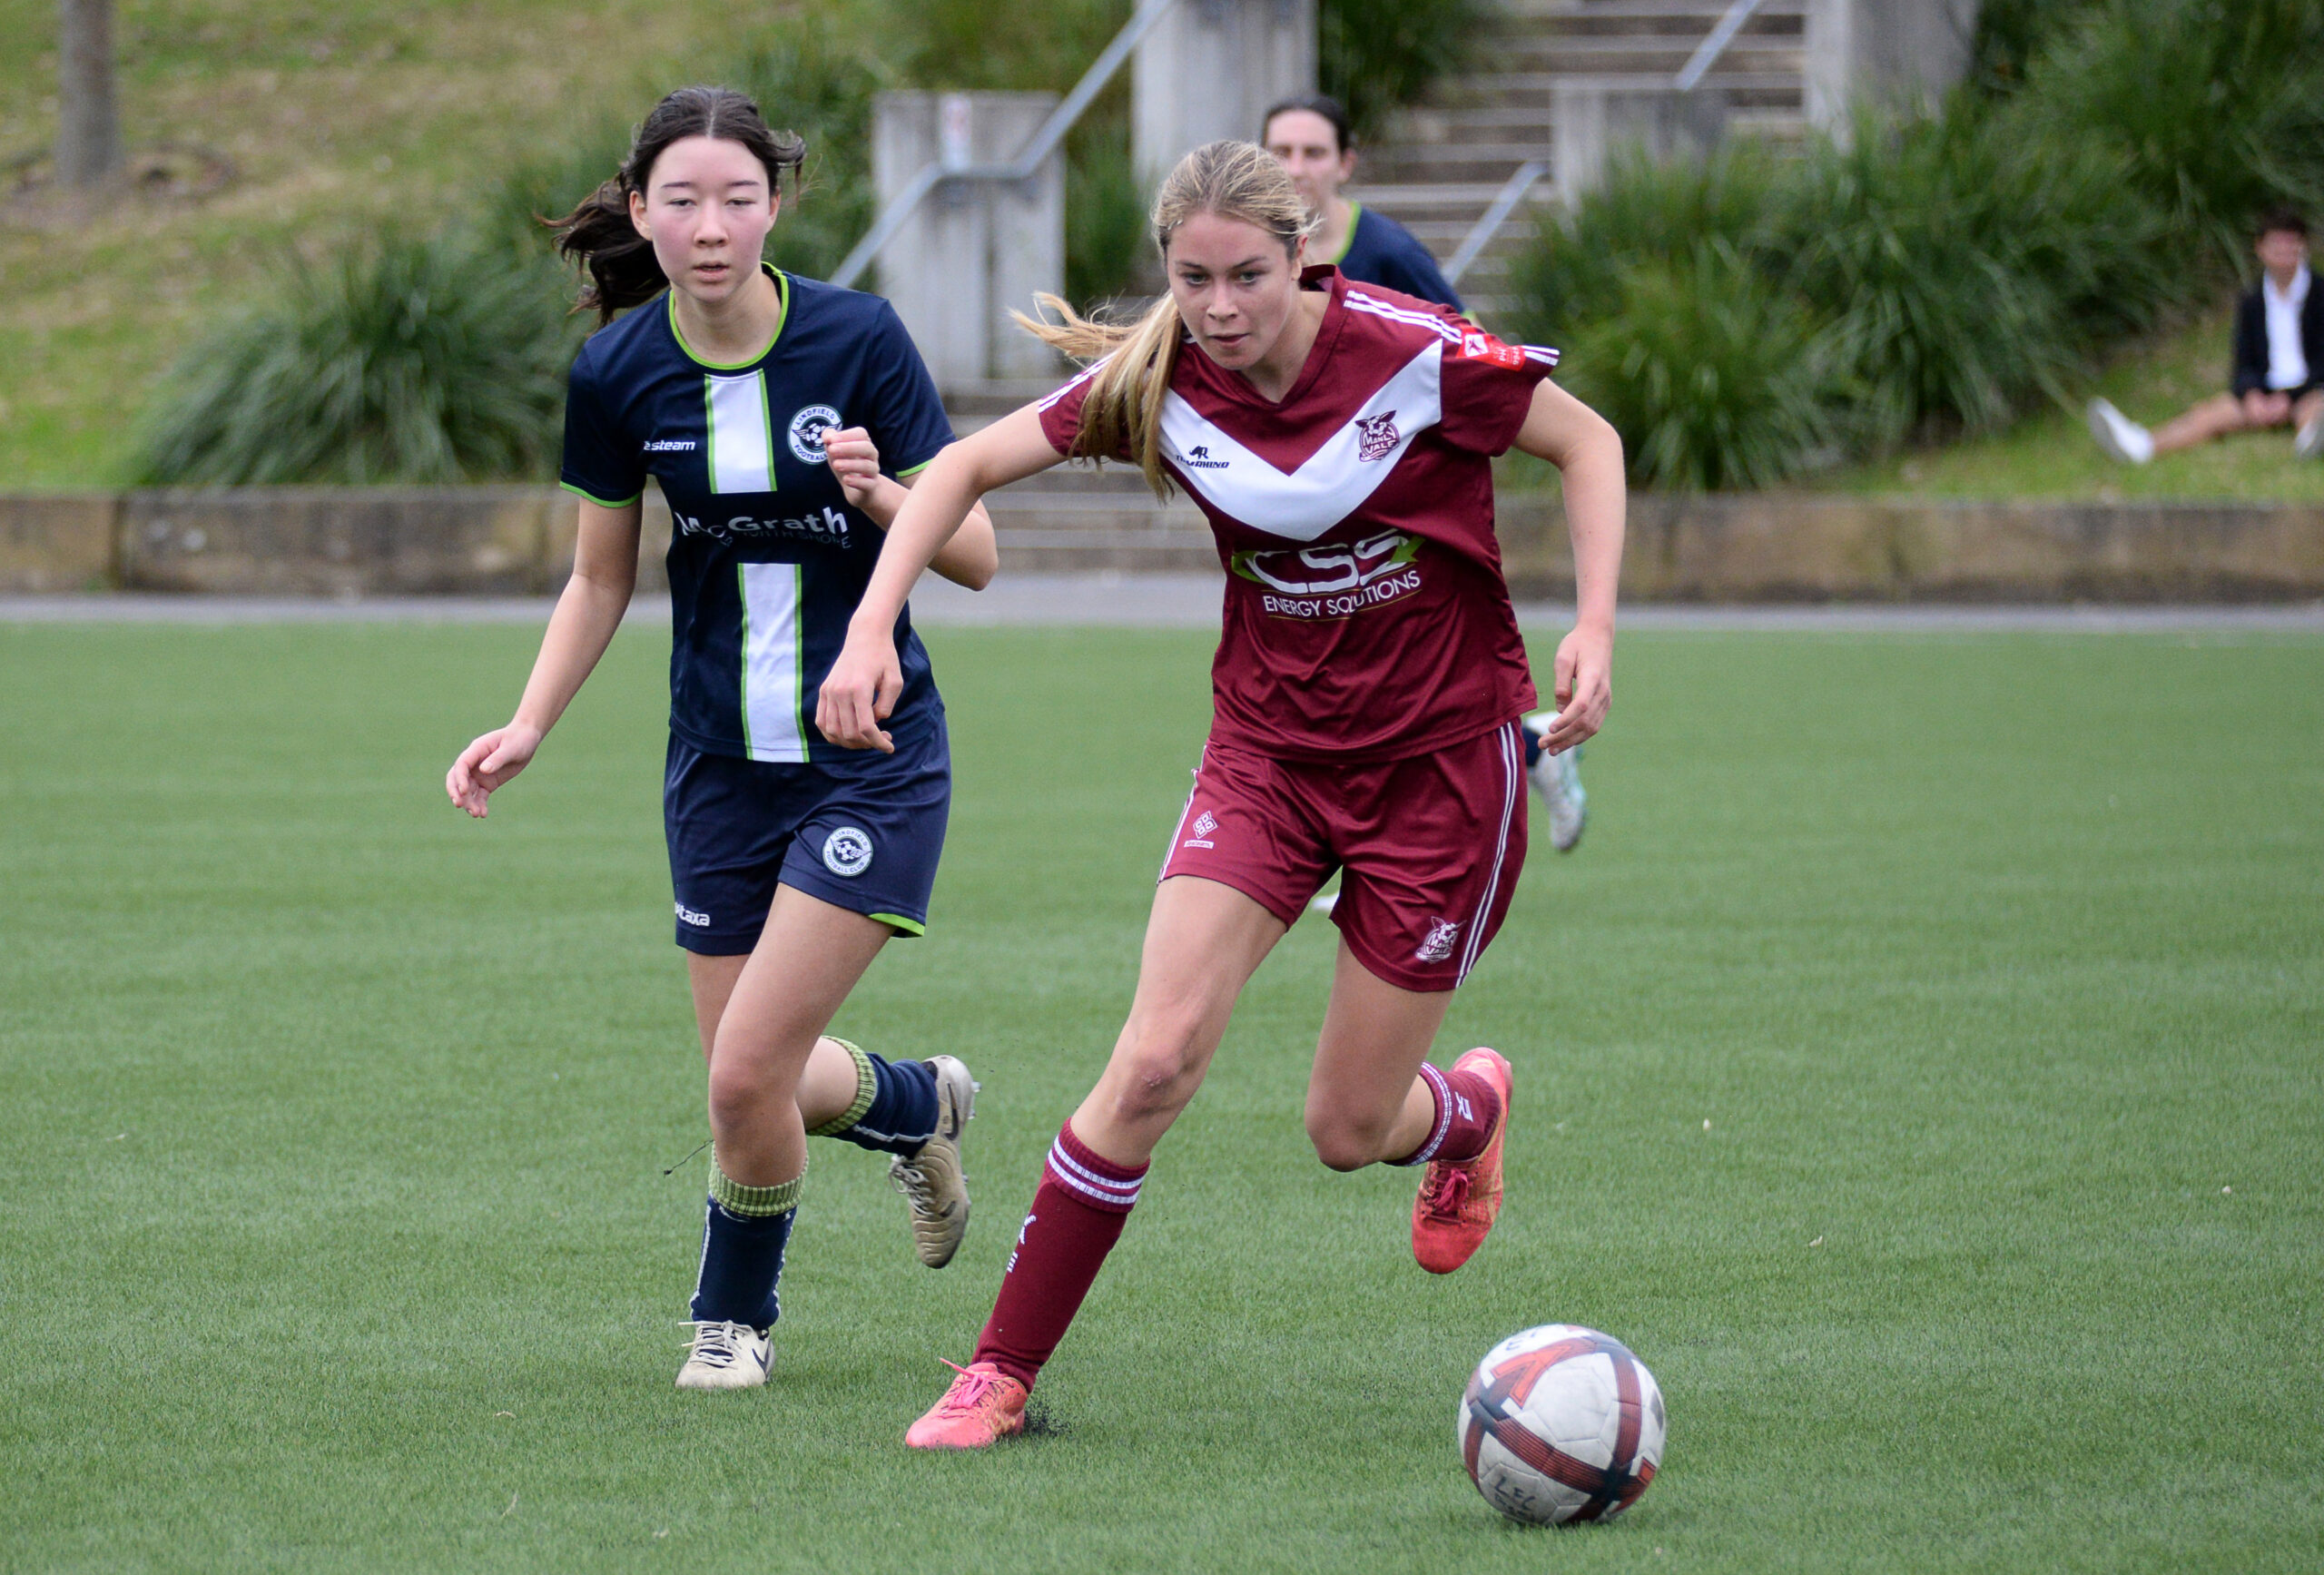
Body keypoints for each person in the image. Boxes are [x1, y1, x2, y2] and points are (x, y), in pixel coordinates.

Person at [815, 140, 1627, 1449]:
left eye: (1248, 274)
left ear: (1305, 253)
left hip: (1440, 774)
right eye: (1192, 279)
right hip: (1265, 761)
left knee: (1347, 1127)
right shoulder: (1159, 377)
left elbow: (1586, 441)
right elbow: (959, 472)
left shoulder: (1415, 351)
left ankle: (1464, 1111)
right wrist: (869, 630)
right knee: (1152, 1060)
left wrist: (1593, 622)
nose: (1221, 306)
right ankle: (999, 1372)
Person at [443, 85, 1003, 1393]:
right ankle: (918, 1102)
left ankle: (731, 1319)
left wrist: (878, 492)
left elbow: (974, 551)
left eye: (738, 198)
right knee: (750, 1081)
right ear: (640, 210)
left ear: (777, 207)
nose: (711, 226)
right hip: (714, 767)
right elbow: (599, 577)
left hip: (872, 757)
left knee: (745, 1072)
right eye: (682, 200)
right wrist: (529, 720)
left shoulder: (859, 338)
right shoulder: (618, 370)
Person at [1264, 94, 1590, 853]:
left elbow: (1473, 359)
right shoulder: (1251, 267)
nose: (1296, 168)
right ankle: (1529, 753)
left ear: (1345, 163)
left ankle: (1489, 780)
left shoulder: (1388, 254)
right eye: (1280, 151)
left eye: (1314, 152)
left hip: (1403, 519)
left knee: (1409, 675)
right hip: (1304, 518)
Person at [2090, 207, 2324, 464]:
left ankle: (2310, 441)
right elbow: (2243, 360)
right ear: (2261, 248)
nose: (2284, 253)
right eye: (2277, 244)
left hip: (2310, 391)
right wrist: (2252, 394)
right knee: (2206, 415)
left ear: (2303, 247)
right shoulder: (2252, 301)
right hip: (2263, 392)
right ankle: (2141, 444)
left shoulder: (2320, 294)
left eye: (2291, 244)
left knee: (2316, 411)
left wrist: (2290, 398)